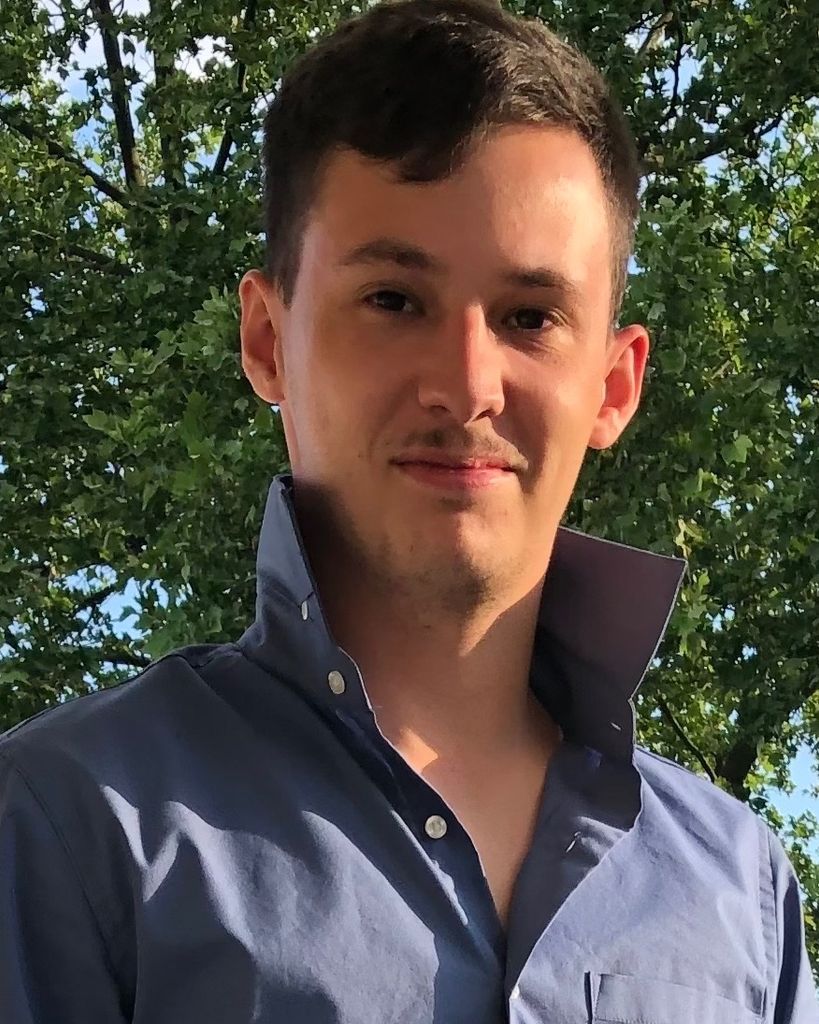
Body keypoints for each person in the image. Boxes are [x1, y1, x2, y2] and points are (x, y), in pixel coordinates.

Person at [1, 0, 816, 1020]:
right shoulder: (64, 826)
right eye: (393, 300)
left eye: (530, 316)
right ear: (267, 341)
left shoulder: (739, 893)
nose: (465, 385)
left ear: (614, 385)